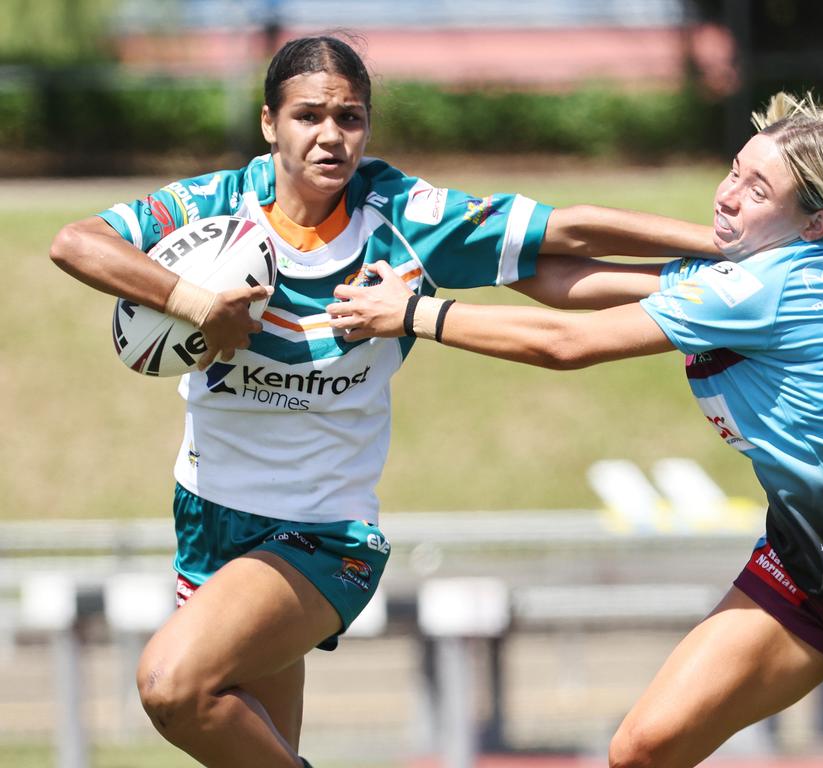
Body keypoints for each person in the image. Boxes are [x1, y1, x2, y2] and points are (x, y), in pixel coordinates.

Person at [48, 35, 720, 768]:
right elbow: (76, 242)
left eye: (350, 118)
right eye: (308, 116)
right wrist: (197, 304)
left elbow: (563, 241)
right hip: (208, 518)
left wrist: (731, 250)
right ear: (269, 122)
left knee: (171, 687)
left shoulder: (404, 215)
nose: (330, 136)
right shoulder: (212, 204)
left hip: (322, 536)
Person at [328, 71, 823, 768]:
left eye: (757, 190)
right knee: (644, 751)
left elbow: (567, 346)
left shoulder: (764, 286)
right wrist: (428, 238)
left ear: (814, 224)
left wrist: (412, 314)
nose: (728, 194)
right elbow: (569, 280)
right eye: (734, 171)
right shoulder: (740, 274)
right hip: (809, 559)